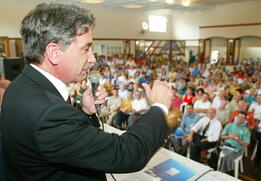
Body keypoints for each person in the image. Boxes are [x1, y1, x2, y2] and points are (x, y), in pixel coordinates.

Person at [0, 3, 174, 181]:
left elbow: (67, 141)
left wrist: (85, 113)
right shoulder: (48, 114)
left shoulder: (18, 86)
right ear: (54, 52)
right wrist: (159, 106)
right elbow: (127, 153)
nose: (92, 58)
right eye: (86, 49)